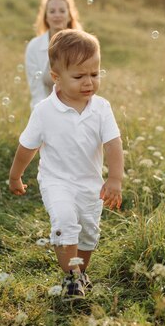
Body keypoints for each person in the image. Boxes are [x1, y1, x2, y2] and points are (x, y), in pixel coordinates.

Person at [9, 29, 124, 299]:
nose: (89, 82)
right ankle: (71, 277)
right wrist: (16, 176)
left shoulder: (101, 108)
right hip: (56, 181)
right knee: (64, 222)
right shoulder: (44, 112)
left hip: (90, 184)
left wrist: (115, 179)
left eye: (95, 74)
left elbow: (113, 144)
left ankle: (81, 273)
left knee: (88, 232)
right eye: (79, 76)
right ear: (56, 78)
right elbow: (27, 147)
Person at [25, 0, 82, 109]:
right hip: (44, 106)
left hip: (76, 106)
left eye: (62, 11)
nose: (57, 15)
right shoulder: (34, 46)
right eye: (52, 11)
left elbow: (84, 83)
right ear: (45, 17)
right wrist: (45, 112)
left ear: (70, 15)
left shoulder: (81, 44)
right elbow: (37, 89)